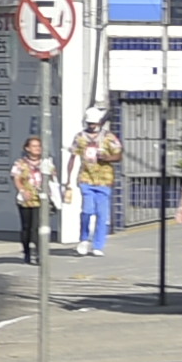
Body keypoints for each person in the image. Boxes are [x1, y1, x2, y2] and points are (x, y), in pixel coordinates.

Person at [70, 106, 123, 257]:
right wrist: (68, 180)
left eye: (94, 123)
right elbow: (73, 156)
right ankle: (84, 238)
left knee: (102, 214)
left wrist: (107, 158)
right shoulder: (80, 137)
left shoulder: (108, 137)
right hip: (86, 178)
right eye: (90, 123)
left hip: (104, 181)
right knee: (87, 211)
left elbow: (119, 155)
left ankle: (98, 245)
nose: (92, 126)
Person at [10, 136, 50, 266]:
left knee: (36, 227)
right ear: (27, 148)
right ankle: (27, 252)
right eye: (34, 146)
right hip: (26, 199)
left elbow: (52, 177)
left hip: (40, 198)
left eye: (39, 146)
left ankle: (37, 253)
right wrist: (22, 190)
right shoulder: (20, 163)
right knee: (26, 227)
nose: (37, 148)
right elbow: (16, 178)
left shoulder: (45, 162)